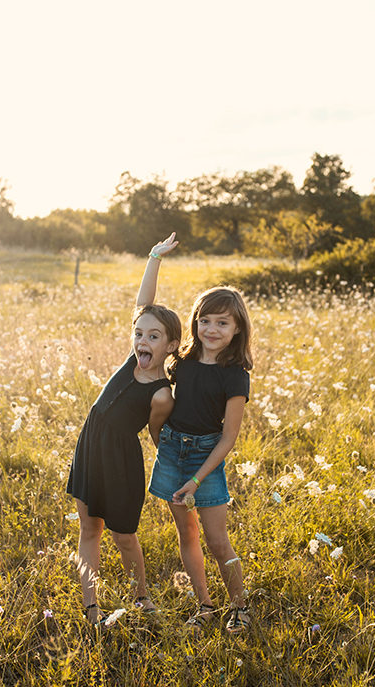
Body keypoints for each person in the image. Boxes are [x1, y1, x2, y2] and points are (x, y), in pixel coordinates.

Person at [65, 233, 181, 625]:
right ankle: (91, 607)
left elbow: (156, 436)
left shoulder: (162, 394)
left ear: (170, 346)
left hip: (121, 460)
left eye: (153, 337)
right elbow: (143, 305)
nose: (142, 340)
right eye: (139, 334)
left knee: (124, 536)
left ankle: (142, 597)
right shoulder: (131, 356)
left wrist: (177, 473)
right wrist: (153, 258)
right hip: (91, 447)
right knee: (89, 530)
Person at [144, 239, 254, 634]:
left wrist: (196, 478)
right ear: (195, 322)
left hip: (206, 459)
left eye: (222, 323)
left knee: (216, 539)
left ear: (237, 328)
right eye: (205, 320)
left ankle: (240, 607)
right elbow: (145, 312)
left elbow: (228, 438)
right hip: (174, 450)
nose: (212, 329)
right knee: (186, 534)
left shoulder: (235, 374)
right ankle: (204, 606)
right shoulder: (183, 359)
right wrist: (154, 259)